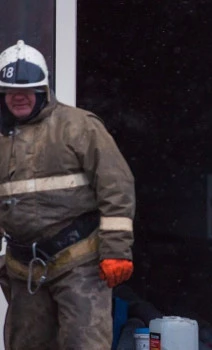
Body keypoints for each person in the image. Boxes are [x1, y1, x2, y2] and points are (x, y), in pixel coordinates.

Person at [0, 40, 136, 349]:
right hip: (24, 271)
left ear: (43, 90)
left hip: (79, 264)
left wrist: (117, 250)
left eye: (28, 90)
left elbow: (116, 186)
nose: (19, 98)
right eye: (11, 91)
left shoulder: (78, 127)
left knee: (83, 343)